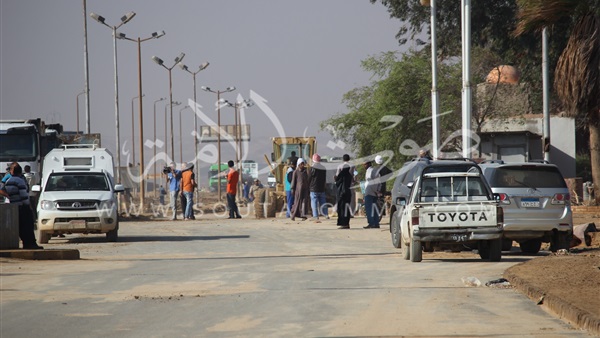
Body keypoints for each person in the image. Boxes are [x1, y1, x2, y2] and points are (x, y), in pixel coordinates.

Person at [0, 162, 43, 249]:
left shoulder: (9, 180)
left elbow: (3, 190)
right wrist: (27, 206)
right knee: (27, 225)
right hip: (22, 206)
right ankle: (30, 244)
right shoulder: (19, 181)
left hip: (13, 206)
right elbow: (23, 195)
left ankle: (27, 243)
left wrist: (8, 196)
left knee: (20, 226)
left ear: (12, 171)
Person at [334, 154, 354, 229]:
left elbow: (338, 177)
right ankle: (349, 217)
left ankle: (343, 223)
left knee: (342, 207)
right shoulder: (352, 166)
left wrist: (336, 179)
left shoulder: (340, 166)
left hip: (342, 191)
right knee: (349, 205)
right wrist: (354, 179)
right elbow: (355, 173)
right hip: (350, 187)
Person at [309, 153, 328, 220]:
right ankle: (326, 214)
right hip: (321, 188)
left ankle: (316, 216)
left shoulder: (312, 168)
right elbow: (324, 178)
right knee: (323, 201)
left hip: (313, 188)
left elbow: (309, 178)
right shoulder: (323, 168)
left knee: (314, 202)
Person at [363, 161, 381, 229]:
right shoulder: (376, 170)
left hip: (370, 192)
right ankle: (376, 223)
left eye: (364, 164)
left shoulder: (369, 171)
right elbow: (379, 182)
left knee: (369, 209)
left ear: (367, 164)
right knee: (375, 208)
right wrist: (378, 191)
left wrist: (375, 191)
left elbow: (370, 182)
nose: (364, 166)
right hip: (375, 192)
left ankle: (371, 223)